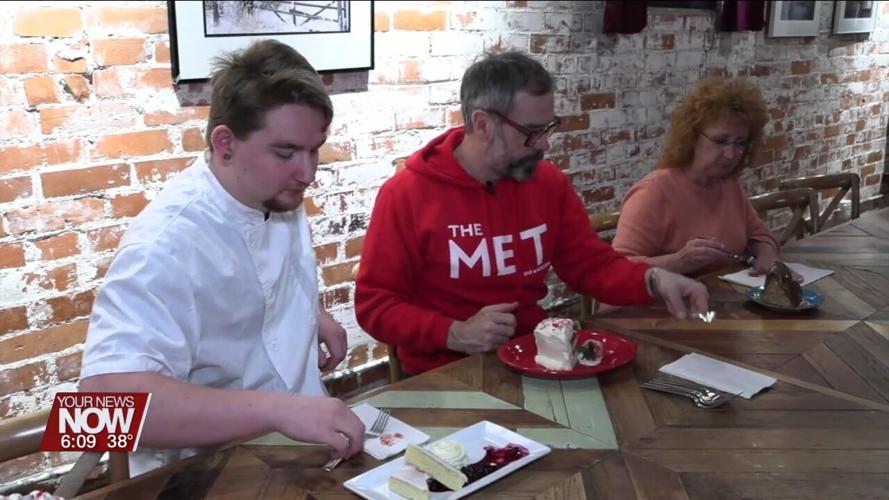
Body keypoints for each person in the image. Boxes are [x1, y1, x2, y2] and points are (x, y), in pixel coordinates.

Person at [78, 39, 364, 475]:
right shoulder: (164, 244)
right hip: (201, 471)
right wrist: (277, 410)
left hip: (299, 450)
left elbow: (260, 275)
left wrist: (311, 309)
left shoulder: (271, 190)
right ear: (225, 143)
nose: (308, 173)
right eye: (286, 152)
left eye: (315, 149)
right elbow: (95, 415)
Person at [354, 51, 710, 376]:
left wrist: (654, 278)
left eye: (549, 128)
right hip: (447, 373)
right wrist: (454, 333)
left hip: (536, 359)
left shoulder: (546, 183)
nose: (544, 144)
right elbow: (375, 306)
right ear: (483, 124)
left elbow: (589, 266)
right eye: (532, 132)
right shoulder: (408, 194)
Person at [612, 77, 780, 277]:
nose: (731, 154)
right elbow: (618, 270)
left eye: (740, 143)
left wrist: (766, 252)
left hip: (716, 299)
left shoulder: (728, 183)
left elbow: (759, 234)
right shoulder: (654, 192)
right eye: (720, 141)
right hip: (657, 305)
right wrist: (678, 262)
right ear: (691, 137)